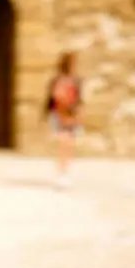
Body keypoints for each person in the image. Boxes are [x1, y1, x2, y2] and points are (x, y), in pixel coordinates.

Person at [44, 52, 84, 189]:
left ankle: (65, 172)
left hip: (71, 114)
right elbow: (57, 99)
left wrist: (77, 115)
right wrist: (64, 115)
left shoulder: (76, 80)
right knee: (64, 143)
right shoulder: (59, 81)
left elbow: (78, 100)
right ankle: (61, 173)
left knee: (70, 145)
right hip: (61, 114)